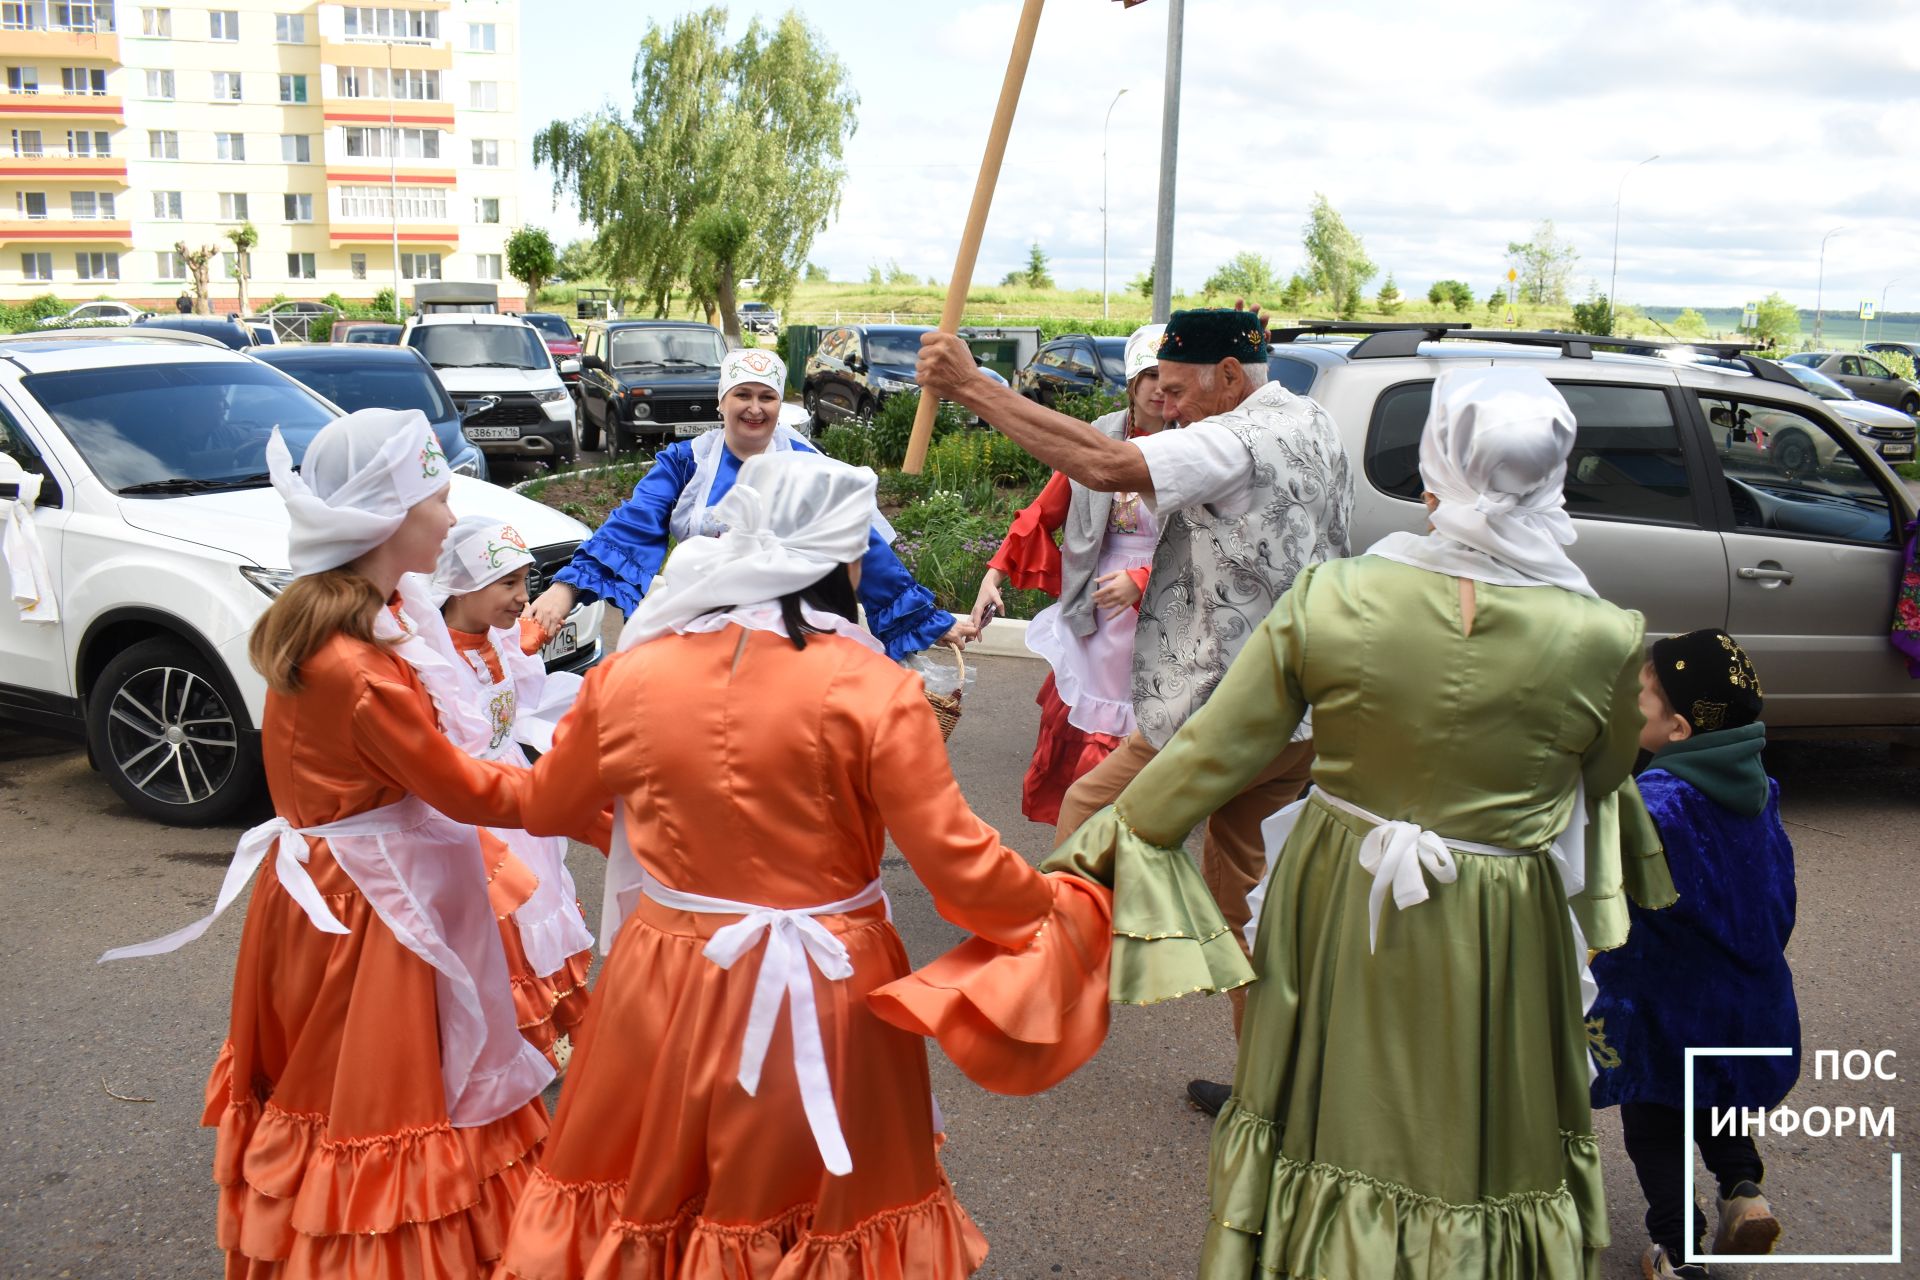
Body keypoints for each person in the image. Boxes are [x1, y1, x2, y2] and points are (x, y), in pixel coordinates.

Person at [1045, 366, 1678, 1280]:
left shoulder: (1333, 599)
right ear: (1552, 479)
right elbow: (1608, 774)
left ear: (1435, 476)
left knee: (1336, 1099)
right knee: (1478, 1110)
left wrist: (1089, 860)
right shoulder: (1603, 634)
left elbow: (1211, 752)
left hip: (1343, 885)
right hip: (1503, 909)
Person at [496, 450, 1110, 1279]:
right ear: (844, 559)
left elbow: (544, 806)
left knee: (657, 1185)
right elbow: (960, 868)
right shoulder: (875, 690)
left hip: (662, 969)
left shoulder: (629, 675)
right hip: (826, 982)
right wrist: (1063, 904)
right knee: (815, 1198)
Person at [100, 408, 605, 1277]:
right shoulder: (361, 664)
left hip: (341, 883)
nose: (450, 516)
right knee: (385, 1100)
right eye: (437, 499)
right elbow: (464, 786)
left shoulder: (370, 618)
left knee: (354, 1086)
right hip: (373, 905)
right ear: (388, 519)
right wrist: (591, 794)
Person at [918, 307, 1353, 1108]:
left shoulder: (1233, 439)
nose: (1169, 405)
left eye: (1180, 389)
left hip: (1221, 713)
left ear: (1231, 376)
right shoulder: (1313, 420)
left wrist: (972, 387)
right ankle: (1276, 1087)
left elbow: (1105, 461)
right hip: (1298, 712)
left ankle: (1032, 1000)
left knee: (1089, 814)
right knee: (1245, 898)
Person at [526, 347, 971, 660]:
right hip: (699, 635)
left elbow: (861, 544)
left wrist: (928, 621)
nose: (755, 408)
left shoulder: (808, 468)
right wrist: (565, 590)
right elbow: (633, 524)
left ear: (780, 405)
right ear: (721, 402)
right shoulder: (686, 462)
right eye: (743, 394)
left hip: (792, 641)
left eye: (766, 396)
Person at [1588, 628, 1800, 1280]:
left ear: (1679, 729)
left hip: (1663, 1006)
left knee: (1655, 1117)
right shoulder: (1759, 792)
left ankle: (1677, 1250)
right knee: (1717, 1093)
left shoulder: (1658, 804)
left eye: (1642, 698)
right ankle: (1743, 1191)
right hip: (1742, 998)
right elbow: (1779, 894)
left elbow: (1610, 891)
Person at [392, 515, 598, 1068]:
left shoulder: (501, 640)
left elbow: (521, 705)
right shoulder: (432, 661)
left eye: (526, 582)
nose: (523, 597)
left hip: (512, 788)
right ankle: (509, 1047)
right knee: (500, 924)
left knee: (541, 900)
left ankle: (550, 1029)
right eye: (508, 583)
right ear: (464, 586)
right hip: (473, 804)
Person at [971, 323, 1167, 824]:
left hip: (1168, 598)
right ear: (1132, 381)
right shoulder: (1100, 435)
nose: (1161, 388)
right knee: (1090, 719)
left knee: (1148, 720)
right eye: (1150, 375)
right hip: (1097, 600)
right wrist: (995, 573)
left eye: (1170, 378)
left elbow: (1207, 538)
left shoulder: (1192, 445)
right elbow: (1046, 508)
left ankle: (1132, 830)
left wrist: (1143, 579)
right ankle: (1089, 833)